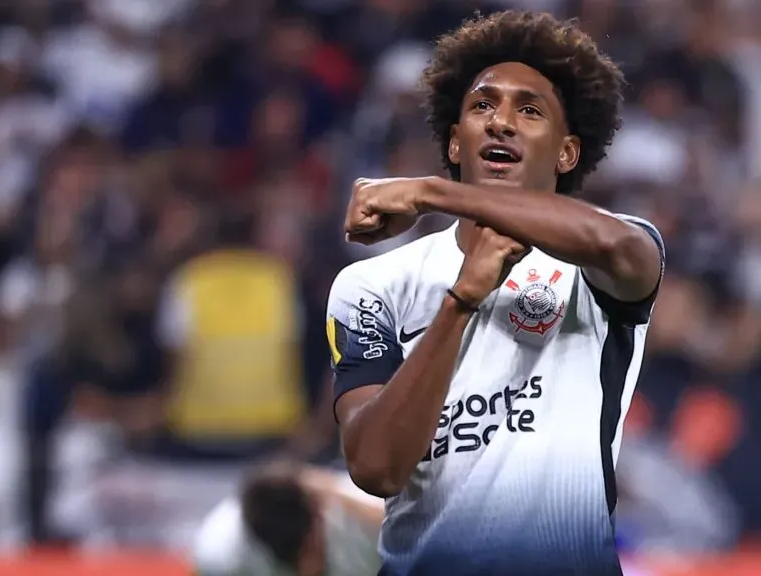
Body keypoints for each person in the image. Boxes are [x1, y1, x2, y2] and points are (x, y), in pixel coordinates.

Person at [327, 11, 665, 576]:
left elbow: (613, 243)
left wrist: (431, 191)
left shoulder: (605, 256)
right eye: (483, 105)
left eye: (529, 110)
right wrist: (460, 302)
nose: (501, 122)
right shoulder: (371, 285)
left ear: (567, 153)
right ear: (456, 142)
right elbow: (377, 468)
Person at [191, 463, 383, 576]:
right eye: (293, 559)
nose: (308, 569)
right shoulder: (221, 555)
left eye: (313, 549)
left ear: (318, 512)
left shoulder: (366, 517)